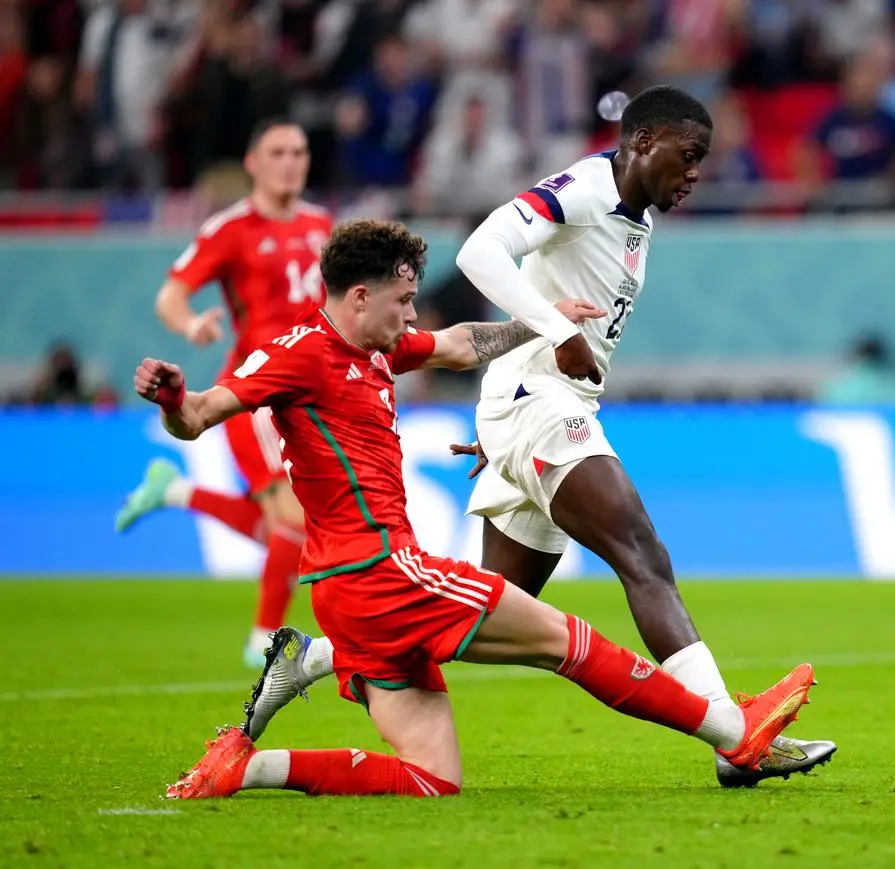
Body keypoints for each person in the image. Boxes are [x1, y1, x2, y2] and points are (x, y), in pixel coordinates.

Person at [242, 85, 838, 788]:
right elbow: (480, 251)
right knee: (641, 550)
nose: (696, 172)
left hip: (531, 407)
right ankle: (732, 734)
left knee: (490, 607)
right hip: (539, 399)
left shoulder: (634, 218)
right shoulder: (584, 189)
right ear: (643, 142)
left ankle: (312, 657)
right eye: (689, 155)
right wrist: (553, 335)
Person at [151, 218, 817, 800]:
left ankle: (246, 767)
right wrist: (175, 399)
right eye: (404, 301)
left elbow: (458, 343)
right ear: (360, 296)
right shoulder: (301, 355)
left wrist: (542, 321)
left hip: (346, 591)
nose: (412, 316)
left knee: (431, 777)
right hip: (384, 569)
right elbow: (203, 413)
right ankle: (734, 731)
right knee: (570, 643)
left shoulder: (376, 350)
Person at [114, 118, 332, 667]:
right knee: (300, 524)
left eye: (299, 152)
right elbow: (172, 295)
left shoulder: (321, 224)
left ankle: (177, 494)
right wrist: (191, 327)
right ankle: (263, 641)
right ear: (253, 163)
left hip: (313, 391)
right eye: (278, 152)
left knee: (300, 530)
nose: (291, 162)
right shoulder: (230, 228)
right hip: (257, 393)